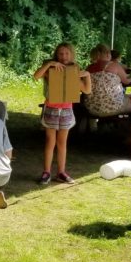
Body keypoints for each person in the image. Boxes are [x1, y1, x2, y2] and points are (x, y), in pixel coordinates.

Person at [33, 42, 91, 184]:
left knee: (62, 143)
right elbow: (36, 76)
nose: (63, 56)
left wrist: (87, 75)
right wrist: (49, 65)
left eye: (66, 53)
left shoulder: (74, 71)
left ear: (71, 54)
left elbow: (87, 90)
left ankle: (61, 172)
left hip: (66, 110)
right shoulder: (52, 69)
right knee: (49, 141)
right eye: (60, 53)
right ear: (56, 55)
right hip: (51, 108)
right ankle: (46, 172)